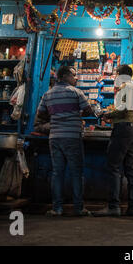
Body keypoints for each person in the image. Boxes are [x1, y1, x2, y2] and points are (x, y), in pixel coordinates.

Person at [36, 66, 94, 217]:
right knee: (76, 173)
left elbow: (41, 113)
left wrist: (56, 116)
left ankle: (57, 209)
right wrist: (75, 113)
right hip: (72, 137)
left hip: (54, 137)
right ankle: (78, 208)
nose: (76, 78)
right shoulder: (76, 92)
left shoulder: (47, 94)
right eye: (74, 75)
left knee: (57, 173)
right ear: (65, 76)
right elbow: (88, 111)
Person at [94, 64, 133, 217]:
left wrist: (107, 115)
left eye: (116, 74)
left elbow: (122, 108)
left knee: (114, 167)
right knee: (130, 169)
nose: (115, 77)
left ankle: (114, 206)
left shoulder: (126, 86)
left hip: (123, 131)